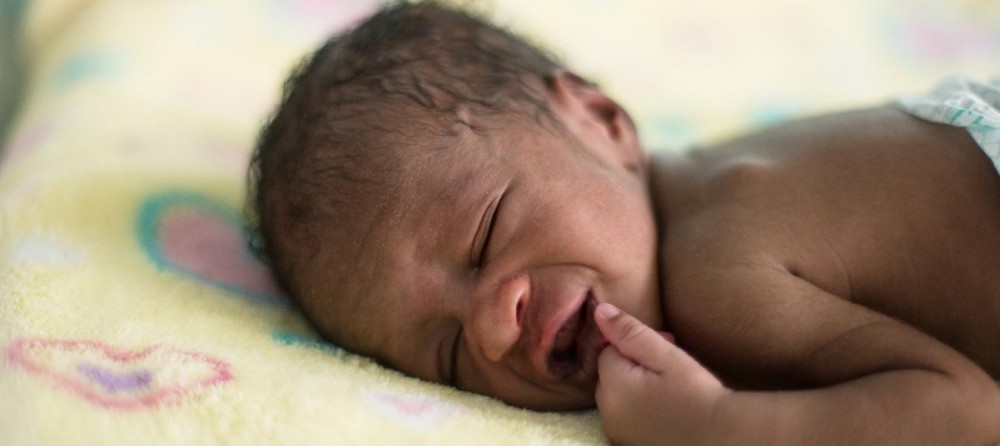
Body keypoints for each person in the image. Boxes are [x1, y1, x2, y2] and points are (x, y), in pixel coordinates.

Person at [247, 1, 1000, 444]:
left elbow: (967, 416)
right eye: (447, 356)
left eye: (486, 234)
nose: (493, 328)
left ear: (601, 121)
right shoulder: (718, 175)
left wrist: (713, 426)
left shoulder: (715, 272)